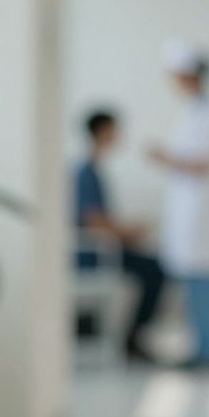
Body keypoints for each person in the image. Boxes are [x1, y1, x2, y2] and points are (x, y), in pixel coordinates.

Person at [150, 40, 209, 371]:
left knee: (202, 283)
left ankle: (208, 352)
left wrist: (167, 159)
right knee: (194, 283)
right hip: (189, 207)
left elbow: (206, 163)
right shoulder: (192, 110)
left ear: (189, 75)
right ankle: (202, 349)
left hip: (201, 210)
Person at [74, 109, 166, 364]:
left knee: (153, 264)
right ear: (102, 132)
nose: (118, 136)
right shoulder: (85, 172)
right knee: (155, 269)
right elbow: (92, 219)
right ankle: (133, 340)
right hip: (92, 254)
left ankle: (133, 338)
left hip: (102, 247)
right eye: (114, 131)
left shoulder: (92, 169)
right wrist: (126, 233)